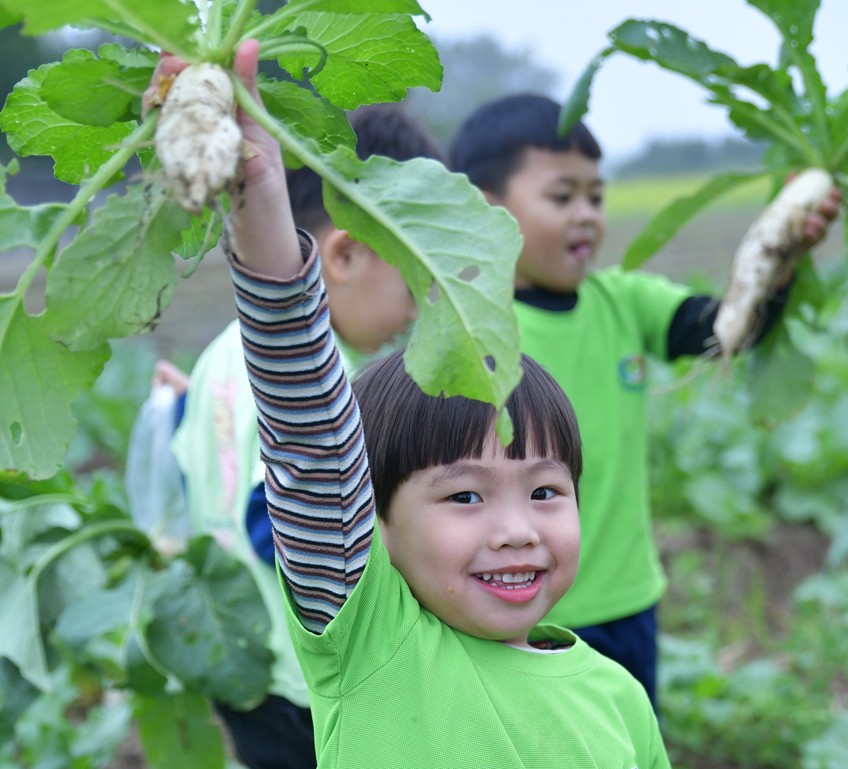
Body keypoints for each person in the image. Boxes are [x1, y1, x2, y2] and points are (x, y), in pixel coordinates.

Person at [150, 41, 670, 768]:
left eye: (545, 491)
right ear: (374, 527)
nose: (517, 531)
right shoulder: (380, 649)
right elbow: (310, 438)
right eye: (464, 495)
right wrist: (257, 201)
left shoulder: (618, 696)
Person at [449, 93, 841, 708]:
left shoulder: (624, 303)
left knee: (632, 741)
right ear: (485, 209)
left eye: (596, 197)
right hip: (517, 607)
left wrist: (784, 248)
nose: (586, 215)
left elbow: (727, 328)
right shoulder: (464, 330)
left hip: (628, 600)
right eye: (562, 197)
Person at [161, 103, 447, 769]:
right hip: (310, 677)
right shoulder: (328, 388)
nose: (416, 315)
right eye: (414, 289)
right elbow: (279, 527)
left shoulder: (221, 353)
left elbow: (193, 456)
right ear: (344, 255)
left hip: (239, 655)